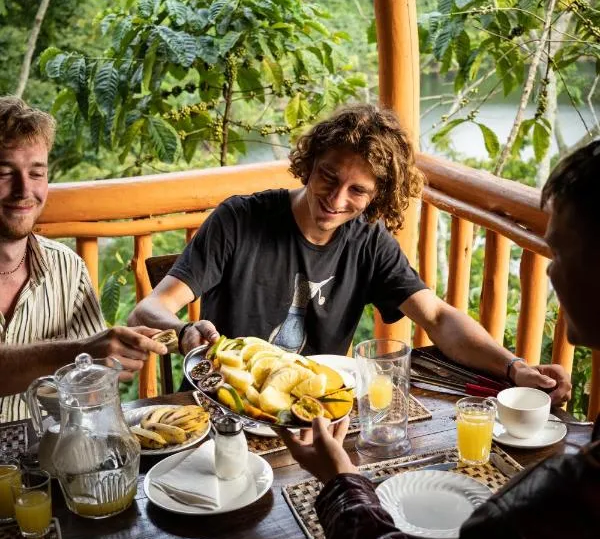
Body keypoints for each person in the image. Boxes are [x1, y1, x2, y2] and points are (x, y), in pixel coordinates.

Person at [280, 140, 600, 539]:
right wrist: (515, 369)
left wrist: (339, 483)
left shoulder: (568, 503)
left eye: (560, 251)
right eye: (329, 177)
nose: (548, 270)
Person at [129, 103, 570, 404]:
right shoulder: (240, 220)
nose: (335, 199)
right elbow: (150, 309)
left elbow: (437, 318)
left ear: (376, 196)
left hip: (316, 409)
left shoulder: (368, 241)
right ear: (309, 163)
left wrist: (514, 369)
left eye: (357, 190)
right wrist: (184, 329)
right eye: (328, 176)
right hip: (230, 403)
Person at [0, 96, 167, 421]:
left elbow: (93, 394)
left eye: (37, 173)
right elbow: (83, 353)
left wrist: (113, 361)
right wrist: (80, 352)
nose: (24, 190)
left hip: (47, 460)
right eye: (5, 173)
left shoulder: (67, 268)